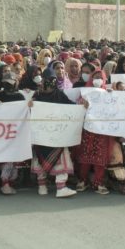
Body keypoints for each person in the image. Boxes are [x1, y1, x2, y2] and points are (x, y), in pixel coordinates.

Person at [30, 67, 82, 198]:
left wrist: (81, 107)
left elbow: (71, 107)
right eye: (48, 79)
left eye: (53, 79)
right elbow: (29, 111)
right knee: (41, 158)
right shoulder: (36, 95)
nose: (50, 82)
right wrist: (30, 105)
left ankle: (60, 187)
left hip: (57, 135)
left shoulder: (59, 94)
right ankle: (42, 186)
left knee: (59, 158)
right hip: (42, 134)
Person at [76, 70, 112, 195]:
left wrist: (112, 97)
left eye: (100, 77)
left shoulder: (109, 93)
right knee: (85, 154)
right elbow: (76, 110)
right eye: (95, 77)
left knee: (100, 155)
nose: (97, 80)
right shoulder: (84, 93)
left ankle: (99, 182)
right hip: (87, 129)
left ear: (104, 80)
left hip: (102, 131)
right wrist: (82, 104)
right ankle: (83, 180)